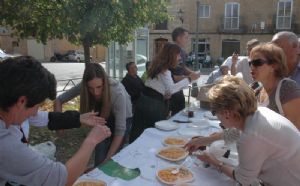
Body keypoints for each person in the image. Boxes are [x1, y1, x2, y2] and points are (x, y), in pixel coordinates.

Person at [0, 56, 111, 186]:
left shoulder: (8, 108)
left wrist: (78, 118)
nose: (35, 113)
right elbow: (60, 179)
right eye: (37, 106)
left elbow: (44, 117)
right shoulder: (4, 143)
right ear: (22, 101)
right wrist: (91, 141)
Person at [187, 76, 300, 186]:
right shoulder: (259, 113)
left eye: (214, 111)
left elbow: (243, 179)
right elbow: (235, 133)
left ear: (227, 113)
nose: (215, 115)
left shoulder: (250, 137)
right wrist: (202, 141)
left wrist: (214, 162)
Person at [54, 63, 132, 166]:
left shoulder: (117, 92)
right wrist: (59, 125)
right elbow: (59, 100)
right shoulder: (84, 86)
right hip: (103, 116)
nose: (96, 93)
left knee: (112, 162)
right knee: (99, 154)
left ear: (104, 82)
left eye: (99, 87)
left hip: (124, 119)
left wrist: (106, 162)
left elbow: (120, 131)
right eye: (91, 88)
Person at [129, 43, 200, 142]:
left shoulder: (157, 67)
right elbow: (171, 89)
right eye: (178, 55)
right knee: (152, 134)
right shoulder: (164, 70)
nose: (179, 58)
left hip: (146, 102)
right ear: (171, 55)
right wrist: (189, 79)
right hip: (152, 105)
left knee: (139, 132)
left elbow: (162, 88)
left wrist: (165, 93)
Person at [170, 27, 200, 115]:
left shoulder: (180, 50)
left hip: (178, 88)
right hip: (172, 89)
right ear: (179, 38)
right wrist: (190, 77)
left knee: (180, 111)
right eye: (186, 37)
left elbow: (182, 67)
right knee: (178, 114)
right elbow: (172, 74)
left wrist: (192, 73)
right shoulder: (174, 50)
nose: (187, 40)